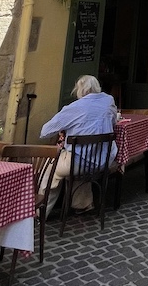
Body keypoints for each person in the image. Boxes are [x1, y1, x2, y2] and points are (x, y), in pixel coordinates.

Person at [40, 75, 118, 215]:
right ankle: (83, 204)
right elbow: (113, 122)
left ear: (79, 90)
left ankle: (40, 210)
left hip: (79, 163)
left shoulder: (74, 108)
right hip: (103, 160)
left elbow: (45, 132)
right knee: (81, 158)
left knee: (50, 167)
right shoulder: (108, 101)